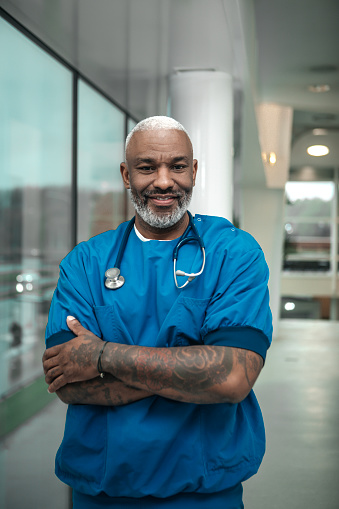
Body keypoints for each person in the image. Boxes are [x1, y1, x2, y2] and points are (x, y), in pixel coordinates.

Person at [43, 116, 272, 509]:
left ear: (194, 171)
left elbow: (233, 377)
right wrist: (197, 372)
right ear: (126, 174)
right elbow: (69, 384)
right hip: (102, 489)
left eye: (178, 166)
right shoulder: (85, 263)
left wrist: (102, 355)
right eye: (147, 167)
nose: (164, 182)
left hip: (204, 493)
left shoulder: (233, 253)